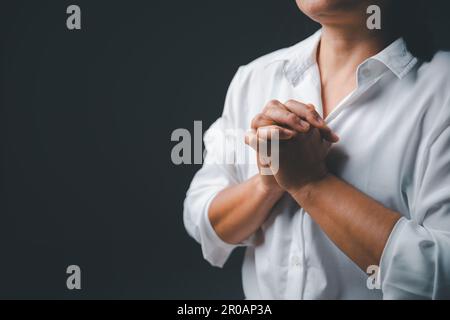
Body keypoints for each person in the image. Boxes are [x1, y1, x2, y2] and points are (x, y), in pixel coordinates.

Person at [183, 0, 450, 299]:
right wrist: (267, 184)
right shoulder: (254, 78)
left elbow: (440, 274)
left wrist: (310, 183)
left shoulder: (443, 93)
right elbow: (204, 221)